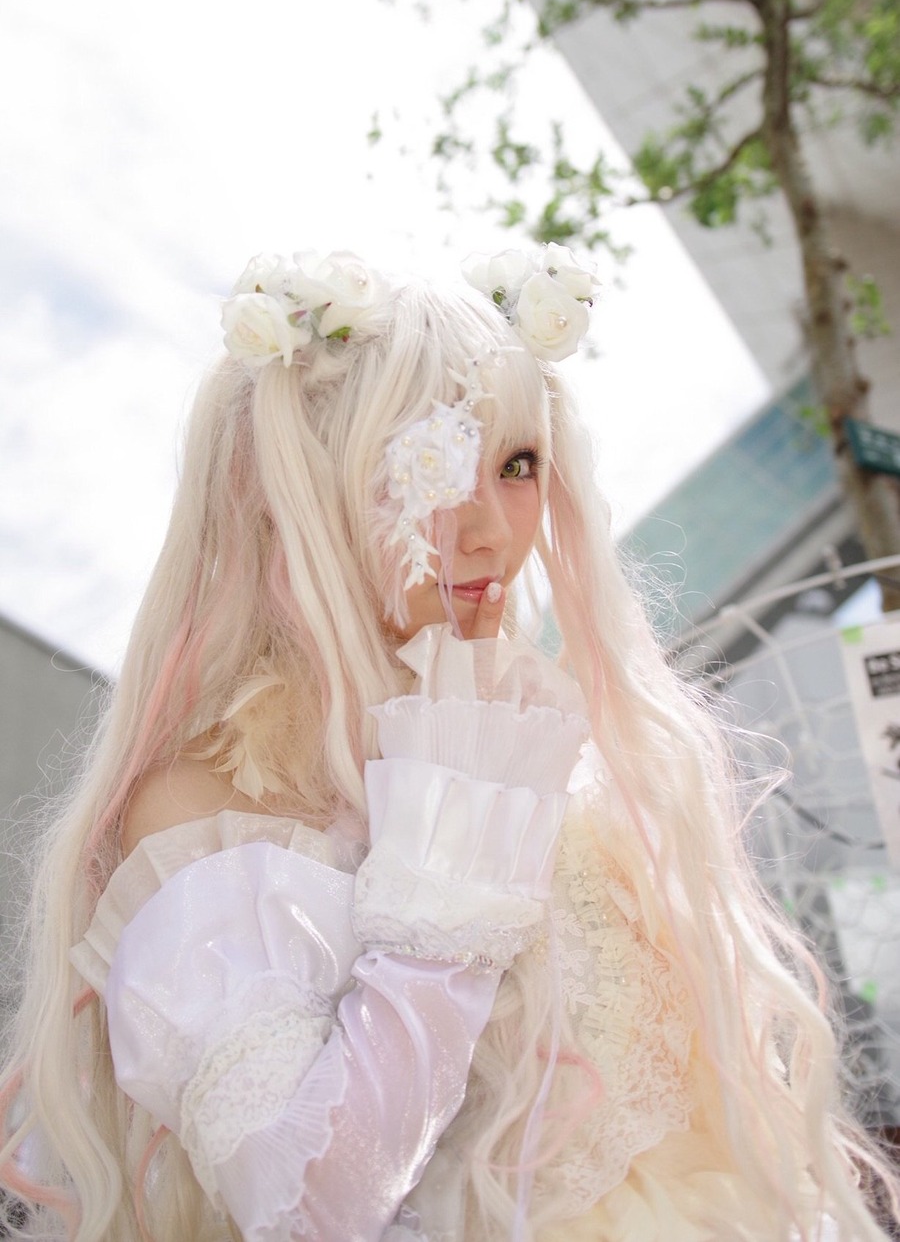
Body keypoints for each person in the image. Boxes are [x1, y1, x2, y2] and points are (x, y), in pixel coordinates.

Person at [1, 246, 897, 1242]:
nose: (487, 530)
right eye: (429, 466)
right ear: (306, 491)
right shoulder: (205, 806)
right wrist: (449, 859)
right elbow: (310, 1203)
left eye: (515, 465)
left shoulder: (541, 738)